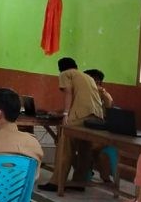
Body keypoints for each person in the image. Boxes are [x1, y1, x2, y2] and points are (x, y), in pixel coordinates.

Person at [39, 57, 105, 192]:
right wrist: (61, 112)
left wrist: (65, 114)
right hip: (97, 116)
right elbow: (81, 99)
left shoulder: (66, 74)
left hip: (81, 114)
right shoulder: (86, 77)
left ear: (60, 69)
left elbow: (68, 94)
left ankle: (56, 182)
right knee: (84, 146)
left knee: (64, 143)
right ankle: (79, 182)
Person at [84, 68, 115, 183]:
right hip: (89, 132)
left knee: (85, 148)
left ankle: (88, 174)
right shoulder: (84, 95)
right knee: (69, 145)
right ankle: (86, 174)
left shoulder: (104, 96)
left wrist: (103, 95)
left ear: (97, 82)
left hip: (103, 135)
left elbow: (108, 116)